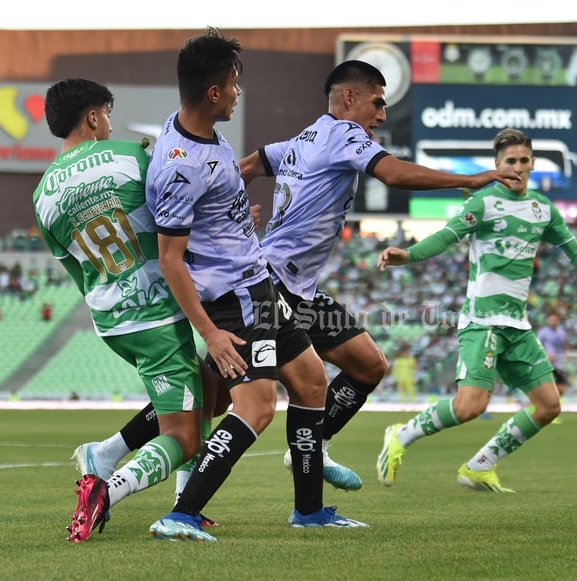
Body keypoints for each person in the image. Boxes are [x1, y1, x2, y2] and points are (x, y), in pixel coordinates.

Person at [239, 59, 522, 486]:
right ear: (349, 98)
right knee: (225, 398)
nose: (383, 114)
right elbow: (392, 173)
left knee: (368, 364)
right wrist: (471, 178)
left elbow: (244, 169)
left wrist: (229, 217)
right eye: (377, 102)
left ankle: (314, 447)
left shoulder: (303, 139)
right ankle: (125, 462)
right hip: (274, 288)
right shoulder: (344, 134)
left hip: (296, 289)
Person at [145, 28, 367, 541]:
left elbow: (205, 219)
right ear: (214, 92)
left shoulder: (201, 138)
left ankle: (308, 511)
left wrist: (234, 215)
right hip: (236, 298)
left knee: (312, 382)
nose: (240, 91)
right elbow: (171, 260)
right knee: (256, 405)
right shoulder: (183, 166)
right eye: (235, 83)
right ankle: (181, 513)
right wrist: (211, 333)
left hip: (258, 284)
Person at [375, 128, 577, 492]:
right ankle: (401, 435)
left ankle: (480, 465)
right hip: (483, 323)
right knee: (469, 407)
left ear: (533, 164)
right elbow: (446, 236)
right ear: (497, 166)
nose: (518, 167)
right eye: (510, 161)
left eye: (524, 160)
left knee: (548, 406)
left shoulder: (542, 209)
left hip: (517, 326)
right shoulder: (482, 202)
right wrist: (409, 255)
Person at [33, 78, 212, 543]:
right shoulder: (130, 157)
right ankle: (106, 491)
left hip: (112, 319)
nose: (109, 123)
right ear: (93, 117)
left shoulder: (43, 195)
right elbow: (172, 217)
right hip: (154, 309)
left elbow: (78, 274)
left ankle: (184, 506)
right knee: (183, 436)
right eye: (107, 114)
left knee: (198, 393)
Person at [536, 311, 570, 396]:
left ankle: (555, 404)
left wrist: (567, 354)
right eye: (551, 320)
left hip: (559, 364)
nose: (553, 322)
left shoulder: (561, 333)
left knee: (561, 387)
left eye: (555, 320)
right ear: (548, 321)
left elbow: (564, 344)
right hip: (547, 364)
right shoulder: (543, 333)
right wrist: (545, 356)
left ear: (558, 321)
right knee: (547, 387)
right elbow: (537, 347)